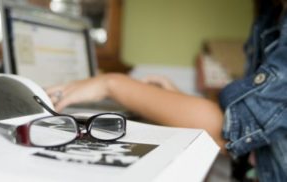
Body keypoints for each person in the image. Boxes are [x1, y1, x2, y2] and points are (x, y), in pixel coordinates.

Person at [47, 0, 287, 181]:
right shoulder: (270, 16)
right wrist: (176, 101)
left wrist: (111, 84)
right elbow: (253, 127)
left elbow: (230, 130)